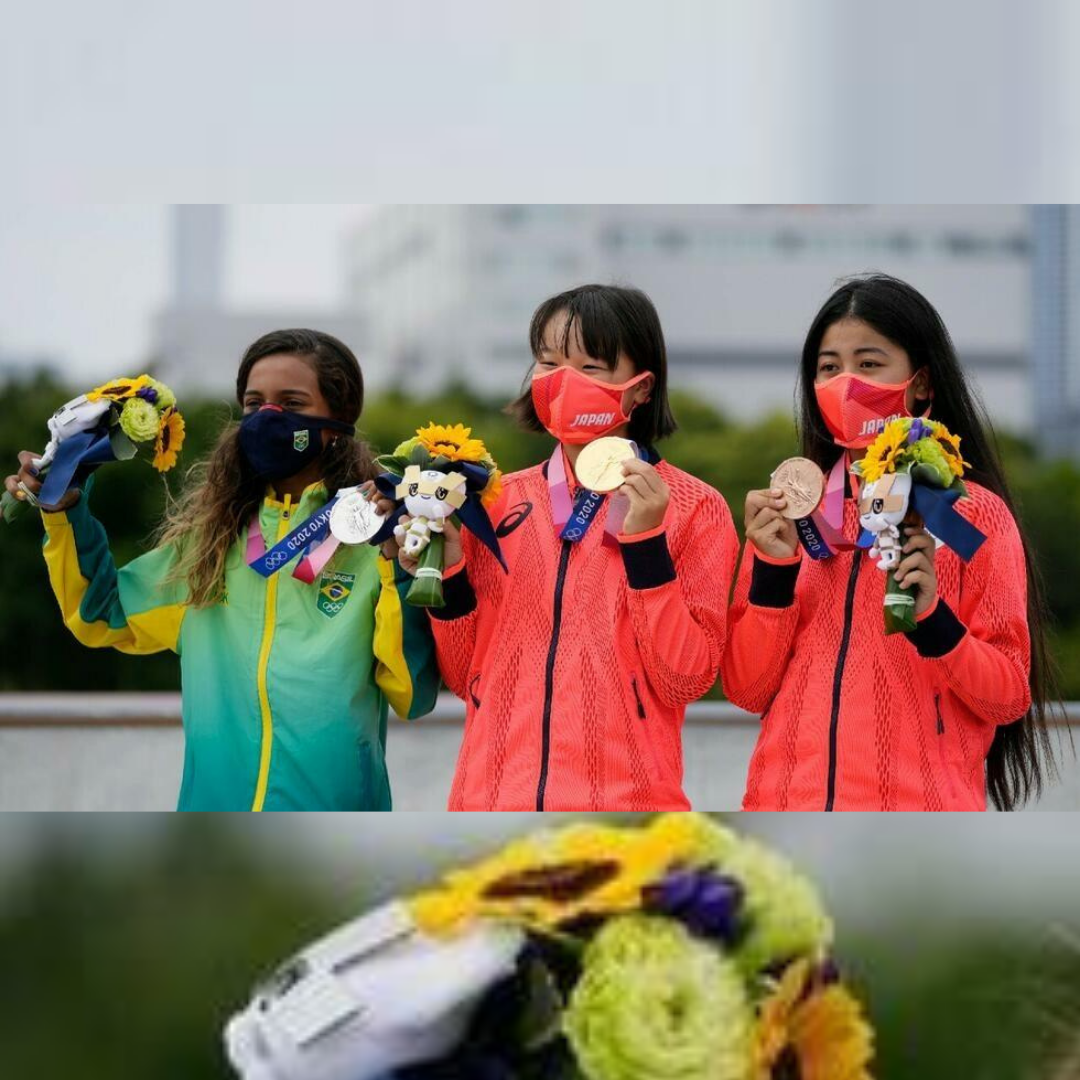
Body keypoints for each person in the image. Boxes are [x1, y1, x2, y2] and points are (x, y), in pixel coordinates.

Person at [4, 328, 439, 810]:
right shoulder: (208, 543)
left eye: (291, 401)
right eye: (255, 404)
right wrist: (66, 511)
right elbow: (100, 613)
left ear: (338, 422)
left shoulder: (380, 537)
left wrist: (396, 568)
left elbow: (412, 693)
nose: (268, 417)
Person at [392, 284, 738, 810]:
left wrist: (646, 545)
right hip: (490, 800)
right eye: (548, 363)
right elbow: (466, 678)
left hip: (628, 807)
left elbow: (684, 679)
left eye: (590, 367)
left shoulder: (695, 507)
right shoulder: (493, 500)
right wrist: (451, 569)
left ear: (641, 388)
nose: (562, 383)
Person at [723, 274, 1059, 811]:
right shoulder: (791, 514)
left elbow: (1008, 696)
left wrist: (935, 619)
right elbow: (747, 690)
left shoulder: (965, 516)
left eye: (869, 363)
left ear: (922, 383)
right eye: (829, 367)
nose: (846, 382)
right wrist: (772, 574)